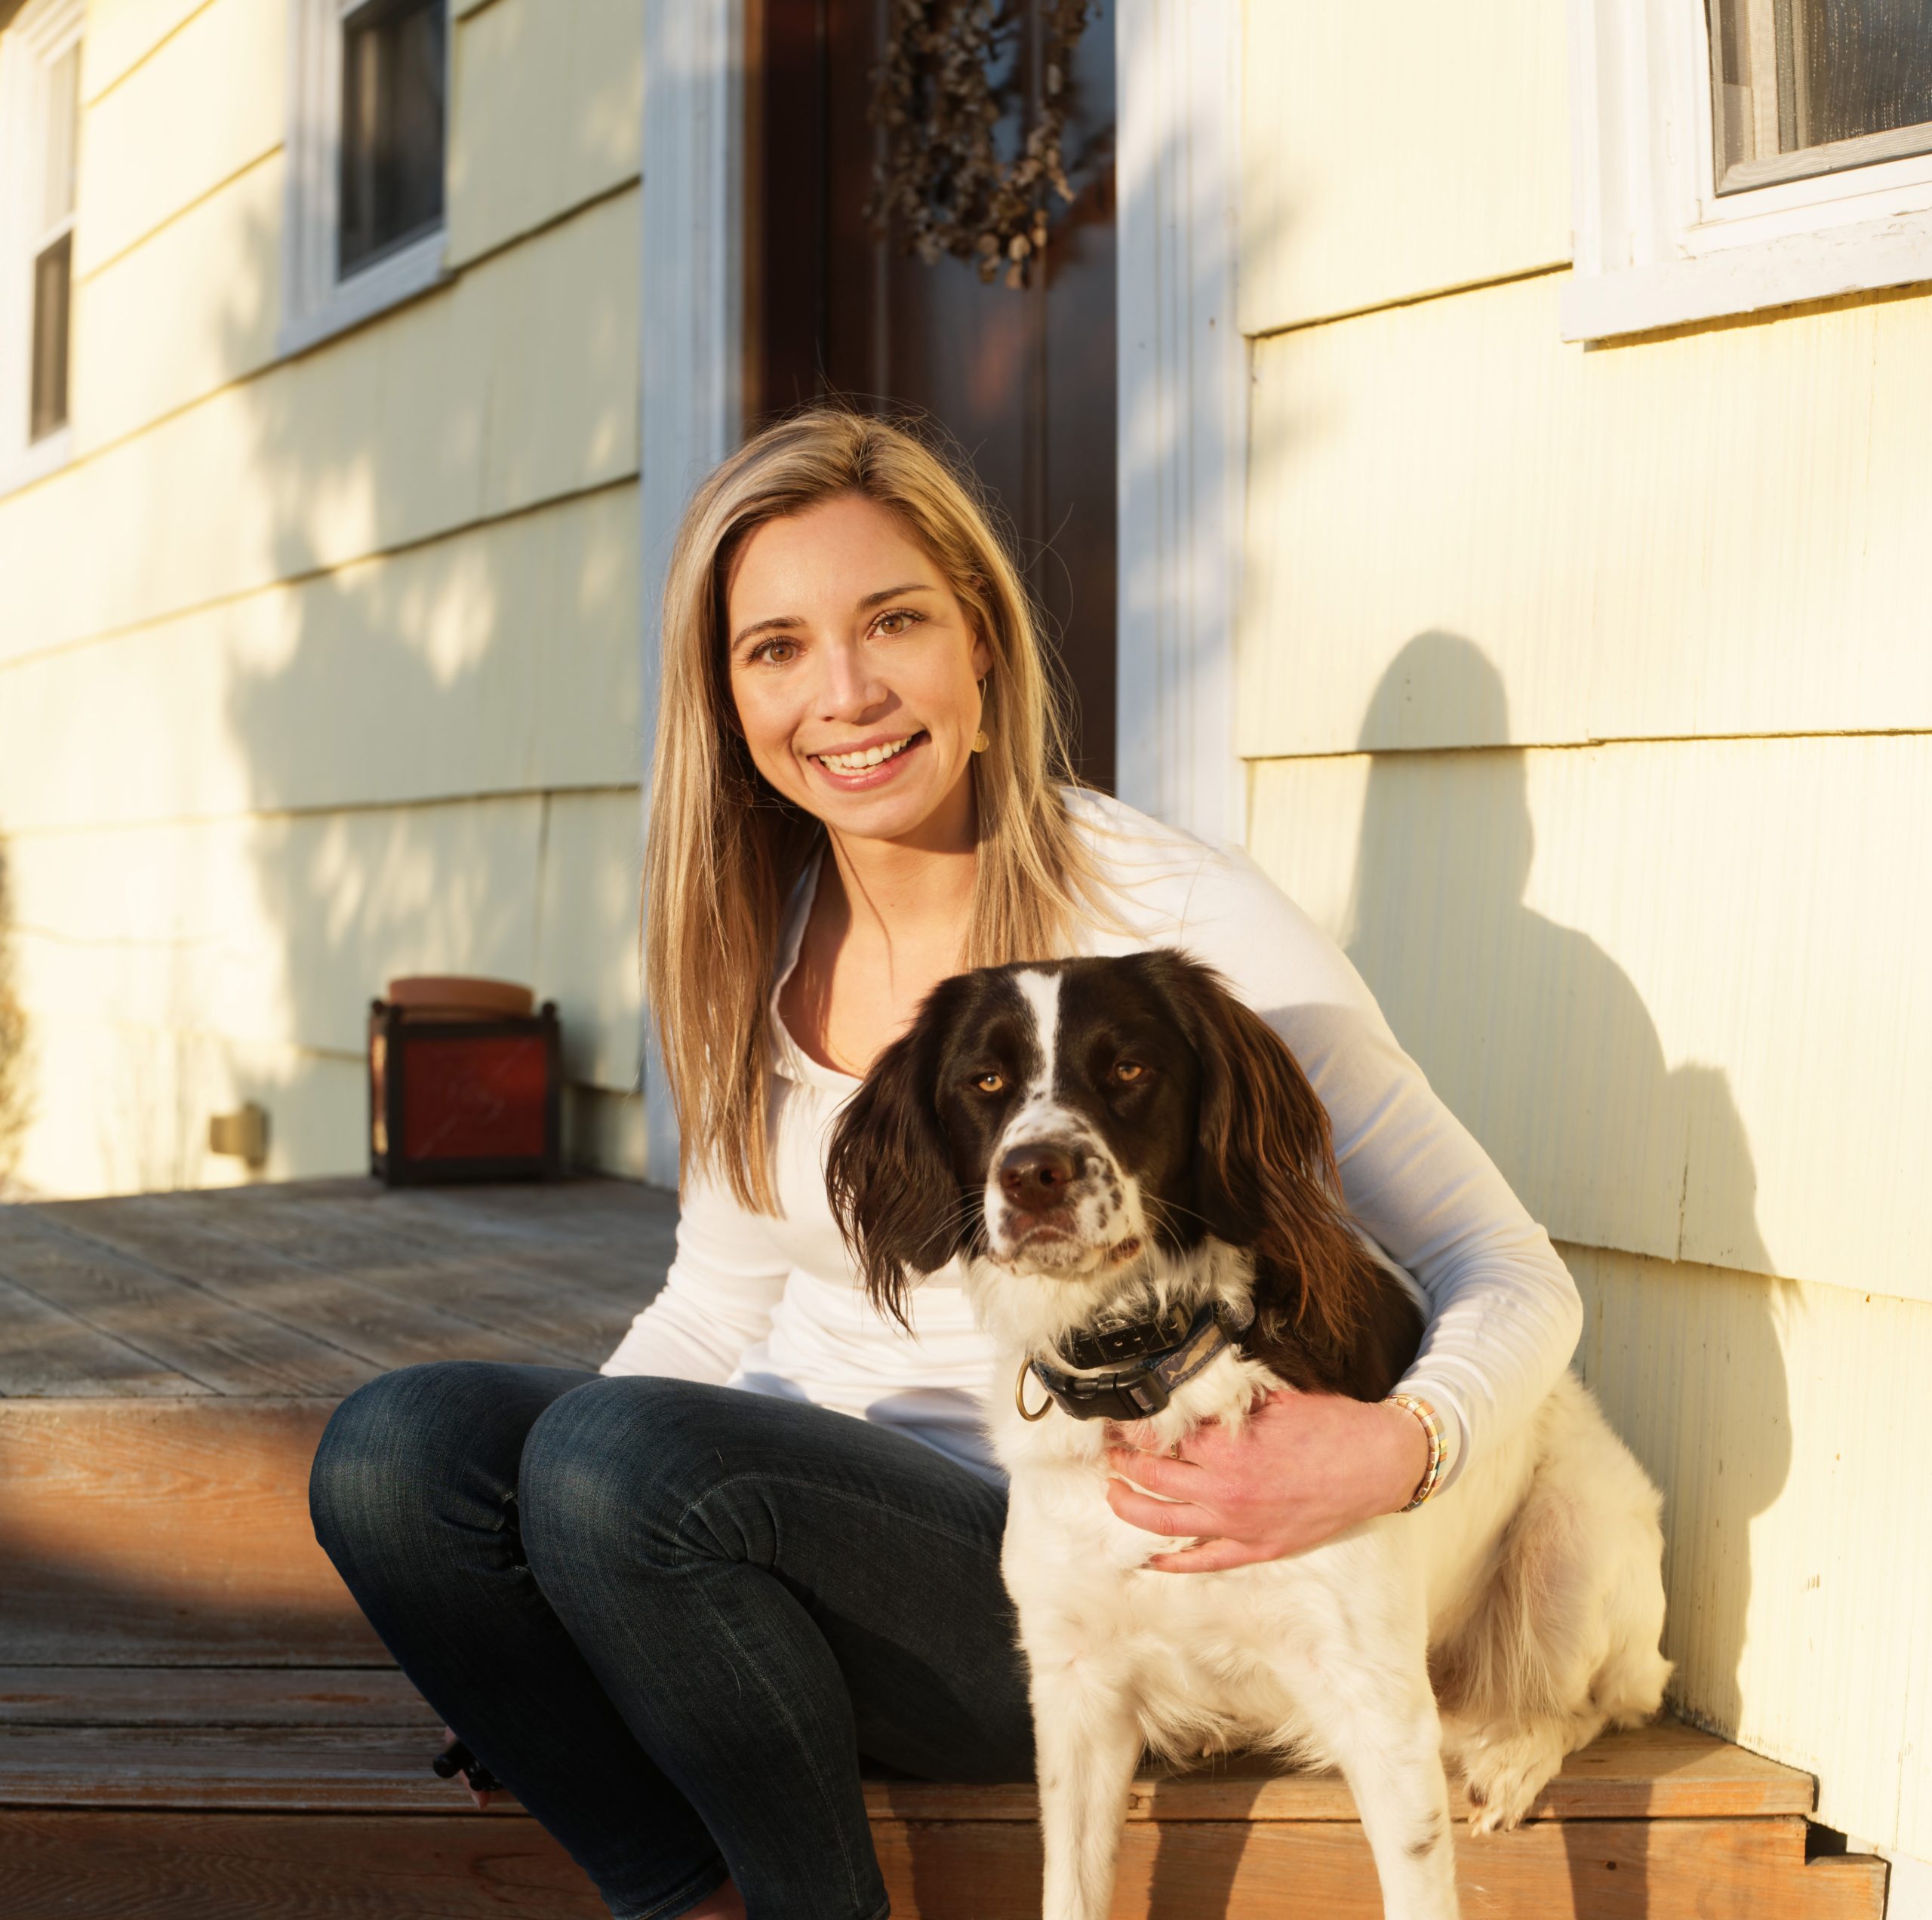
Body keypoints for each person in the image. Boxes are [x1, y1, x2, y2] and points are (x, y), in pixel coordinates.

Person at [308, 409, 1582, 1920]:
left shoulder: (1173, 919)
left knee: (618, 1466)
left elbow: (1505, 1271)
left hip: (1040, 1566)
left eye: (891, 622)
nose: (840, 693)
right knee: (397, 1452)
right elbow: (713, 1314)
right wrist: (529, 1628)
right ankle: (688, 1895)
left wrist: (1399, 1444)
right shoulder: (745, 942)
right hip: (741, 1530)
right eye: (773, 646)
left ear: (978, 646)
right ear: (723, 696)